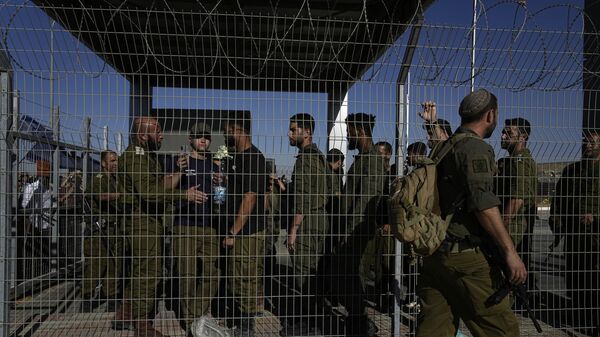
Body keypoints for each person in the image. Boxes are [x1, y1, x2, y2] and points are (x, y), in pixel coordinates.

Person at [416, 89, 526, 337]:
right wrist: (510, 252)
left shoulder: (444, 148)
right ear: (491, 115)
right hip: (464, 258)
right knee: (502, 330)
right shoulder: (475, 149)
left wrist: (432, 122)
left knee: (434, 329)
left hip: (435, 253)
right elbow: (483, 204)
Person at [114, 117, 207, 337]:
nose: (162, 135)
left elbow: (157, 185)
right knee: (148, 273)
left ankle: (127, 314)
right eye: (157, 131)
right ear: (142, 135)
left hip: (147, 222)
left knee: (141, 271)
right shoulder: (136, 157)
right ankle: (141, 325)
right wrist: (184, 194)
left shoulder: (146, 155)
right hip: (141, 223)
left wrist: (177, 172)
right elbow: (149, 193)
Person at [335, 113, 386, 336]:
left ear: (361, 131)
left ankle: (361, 328)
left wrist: (348, 234)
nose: (348, 136)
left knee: (355, 284)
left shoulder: (373, 160)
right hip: (353, 233)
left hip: (359, 234)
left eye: (350, 131)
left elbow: (366, 203)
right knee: (348, 284)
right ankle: (358, 324)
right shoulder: (364, 159)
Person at [280, 113, 330, 336]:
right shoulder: (317, 157)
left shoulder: (305, 160)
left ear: (306, 132)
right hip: (319, 219)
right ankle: (313, 322)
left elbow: (302, 199)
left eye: (293, 130)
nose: (289, 134)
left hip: (308, 222)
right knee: (313, 274)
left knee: (303, 275)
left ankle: (311, 326)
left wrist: (293, 230)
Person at [221, 112, 268, 337]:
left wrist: (233, 231)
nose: (224, 134)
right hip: (241, 230)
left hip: (247, 232)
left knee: (245, 278)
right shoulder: (237, 157)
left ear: (236, 130)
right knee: (236, 277)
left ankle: (246, 327)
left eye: (226, 130)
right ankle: (241, 320)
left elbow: (250, 198)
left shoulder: (253, 157)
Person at [170, 122, 220, 333]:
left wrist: (220, 184)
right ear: (190, 139)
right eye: (199, 136)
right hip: (185, 225)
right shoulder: (180, 161)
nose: (203, 140)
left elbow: (220, 198)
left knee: (214, 273)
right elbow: (166, 191)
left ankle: (198, 313)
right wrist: (179, 173)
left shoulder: (215, 165)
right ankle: (190, 321)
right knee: (187, 275)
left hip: (209, 226)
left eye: (206, 137)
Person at [550, 129, 599, 332]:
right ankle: (578, 313)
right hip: (574, 236)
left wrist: (595, 217)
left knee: (593, 277)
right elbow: (558, 201)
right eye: (585, 141)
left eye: (592, 141)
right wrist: (558, 224)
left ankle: (593, 316)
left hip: (596, 237)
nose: (587, 144)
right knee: (574, 276)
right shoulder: (571, 171)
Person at [495, 118, 537, 288]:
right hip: (513, 223)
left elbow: (517, 199)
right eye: (503, 132)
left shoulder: (520, 162)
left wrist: (500, 227)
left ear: (523, 137)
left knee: (506, 271)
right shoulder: (512, 160)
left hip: (513, 224)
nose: (503, 136)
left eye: (509, 133)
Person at [81, 150, 124, 313]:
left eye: (116, 161)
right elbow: (101, 196)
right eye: (112, 161)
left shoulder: (115, 180)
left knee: (114, 265)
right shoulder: (99, 179)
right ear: (104, 163)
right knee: (96, 265)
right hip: (99, 231)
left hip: (114, 229)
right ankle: (86, 299)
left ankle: (111, 299)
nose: (115, 163)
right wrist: (120, 196)